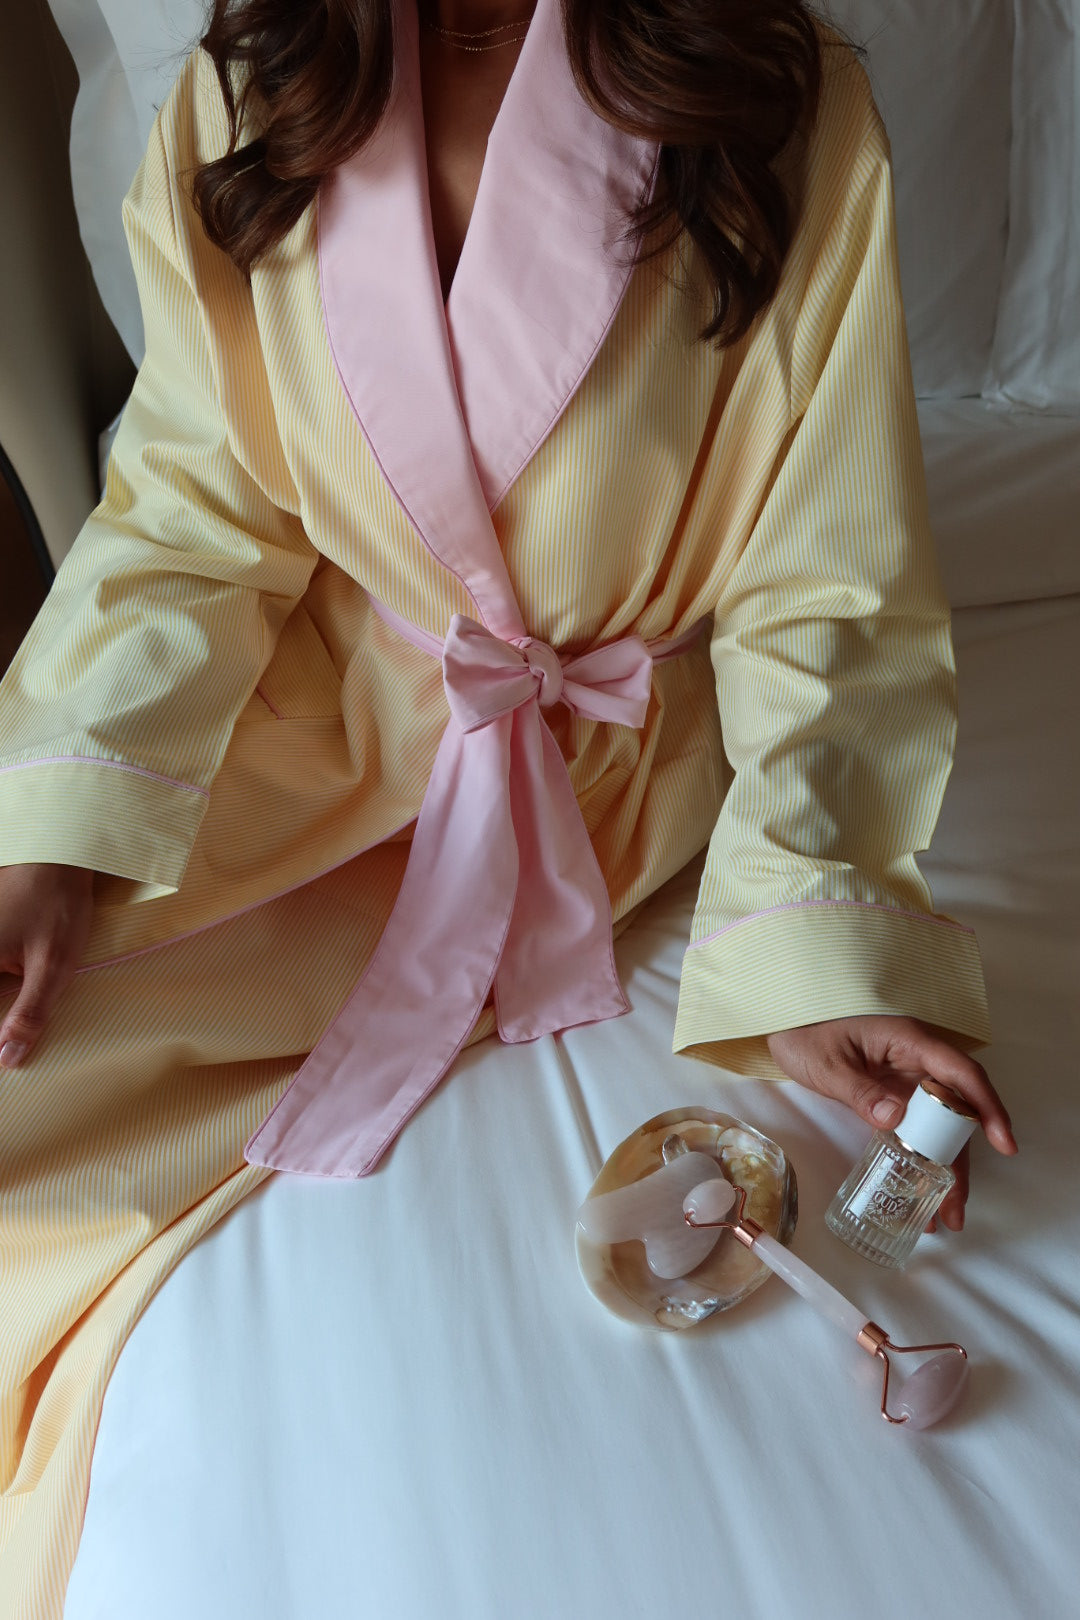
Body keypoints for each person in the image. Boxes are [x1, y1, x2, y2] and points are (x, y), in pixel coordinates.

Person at [0, 0, 1017, 1608]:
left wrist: (821, 951)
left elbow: (825, 586)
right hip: (316, 720)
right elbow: (192, 516)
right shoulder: (245, 89)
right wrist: (57, 824)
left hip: (592, 768)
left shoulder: (782, 105)